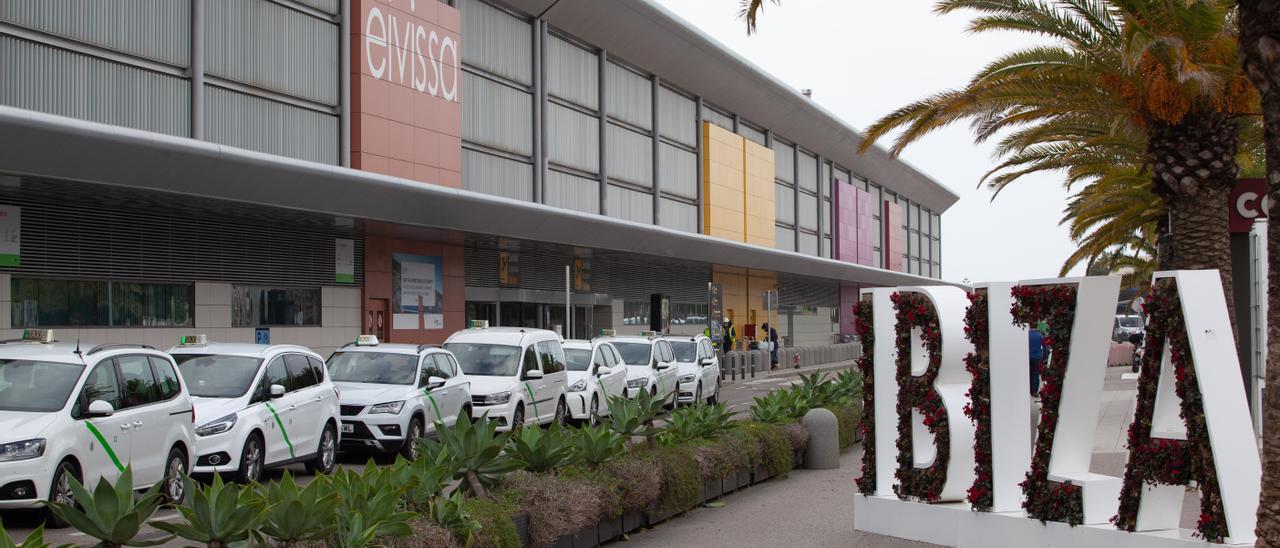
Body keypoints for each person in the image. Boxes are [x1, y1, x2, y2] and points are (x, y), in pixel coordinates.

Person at [1028, 323, 1046, 398]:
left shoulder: (1026, 335)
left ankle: (1028, 389)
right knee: (1035, 374)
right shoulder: (1040, 336)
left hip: (1027, 357)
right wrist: (1044, 357)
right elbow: (1045, 347)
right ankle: (1034, 391)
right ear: (1037, 326)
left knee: (1028, 373)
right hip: (1037, 357)